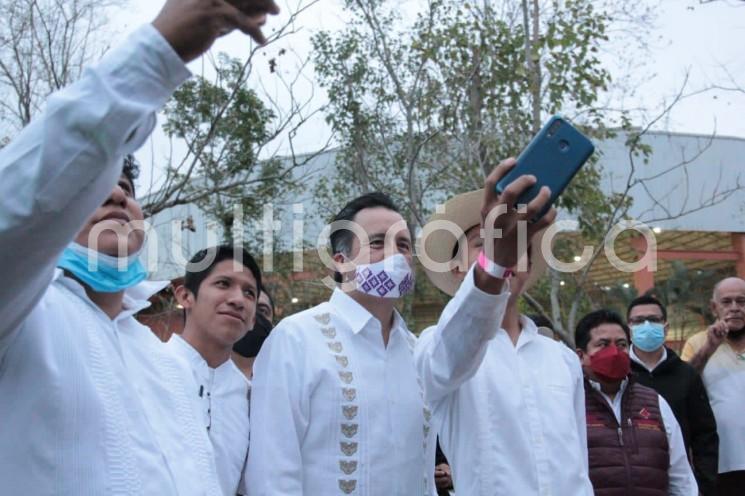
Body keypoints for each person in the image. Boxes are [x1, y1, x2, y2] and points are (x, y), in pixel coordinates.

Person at [0, 1, 279, 494]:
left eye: (128, 186)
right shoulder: (24, 317)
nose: (116, 194)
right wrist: (159, 50)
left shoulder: (158, 363)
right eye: (95, 184)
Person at [247, 159, 550, 495]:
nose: (395, 255)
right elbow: (271, 471)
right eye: (377, 243)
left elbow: (468, 334)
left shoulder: (418, 351)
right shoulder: (297, 338)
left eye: (403, 245)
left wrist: (495, 261)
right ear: (341, 261)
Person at [416, 188, 593, 495]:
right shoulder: (435, 348)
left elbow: (578, 461)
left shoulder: (562, 358)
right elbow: (453, 348)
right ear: (458, 268)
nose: (504, 253)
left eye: (515, 246)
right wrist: (494, 264)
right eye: (482, 244)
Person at [168, 245, 261, 495]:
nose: (238, 299)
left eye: (249, 293)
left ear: (253, 320)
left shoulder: (251, 398)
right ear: (185, 296)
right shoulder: (145, 369)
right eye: (222, 283)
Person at [575, 309, 698, 495]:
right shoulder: (570, 405)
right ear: (580, 355)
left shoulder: (654, 402)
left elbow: (681, 477)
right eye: (603, 344)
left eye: (622, 344)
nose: (615, 352)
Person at [626, 295, 719, 495]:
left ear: (666, 327)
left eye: (654, 319)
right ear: (629, 328)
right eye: (639, 321)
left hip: (680, 483)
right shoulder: (619, 374)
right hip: (631, 481)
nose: (647, 325)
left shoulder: (686, 374)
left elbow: (704, 434)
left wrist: (704, 484)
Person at [681, 277, 745, 495]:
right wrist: (710, 347)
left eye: (742, 301)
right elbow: (683, 385)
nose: (735, 308)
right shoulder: (698, 342)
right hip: (721, 461)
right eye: (727, 302)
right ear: (714, 307)